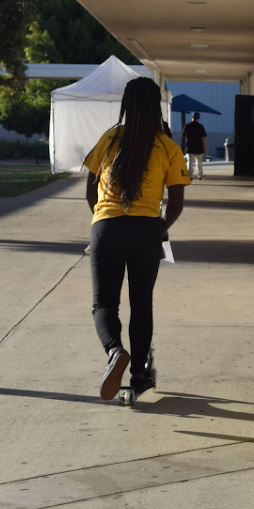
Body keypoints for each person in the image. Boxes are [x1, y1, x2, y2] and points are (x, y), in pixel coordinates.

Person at [84, 77, 191, 401]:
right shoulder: (168, 147)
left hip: (107, 227)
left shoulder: (110, 138)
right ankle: (140, 373)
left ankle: (115, 351)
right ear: (155, 106)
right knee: (142, 304)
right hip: (146, 230)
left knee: (104, 303)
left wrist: (102, 220)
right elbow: (176, 203)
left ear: (127, 105)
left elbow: (90, 190)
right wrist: (159, 229)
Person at [182, 112, 208, 180]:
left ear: (192, 117)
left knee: (190, 162)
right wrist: (205, 147)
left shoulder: (187, 126)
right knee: (199, 163)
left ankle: (190, 176)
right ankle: (200, 175)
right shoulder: (200, 126)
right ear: (198, 118)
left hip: (190, 147)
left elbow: (183, 136)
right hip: (199, 147)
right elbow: (203, 138)